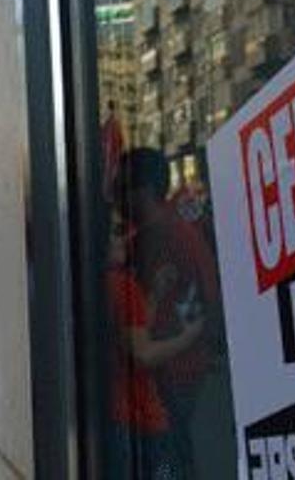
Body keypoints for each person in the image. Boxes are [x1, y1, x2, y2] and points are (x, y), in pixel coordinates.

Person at [119, 148, 222, 478]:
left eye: (122, 187)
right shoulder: (172, 230)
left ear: (143, 191)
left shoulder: (158, 238)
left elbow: (142, 325)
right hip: (181, 372)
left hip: (171, 377)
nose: (117, 200)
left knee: (168, 462)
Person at [105, 212, 204, 479]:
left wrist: (156, 295)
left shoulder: (105, 285)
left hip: (121, 416)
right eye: (116, 232)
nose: (124, 239)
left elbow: (134, 336)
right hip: (144, 420)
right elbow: (142, 354)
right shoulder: (123, 288)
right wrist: (189, 337)